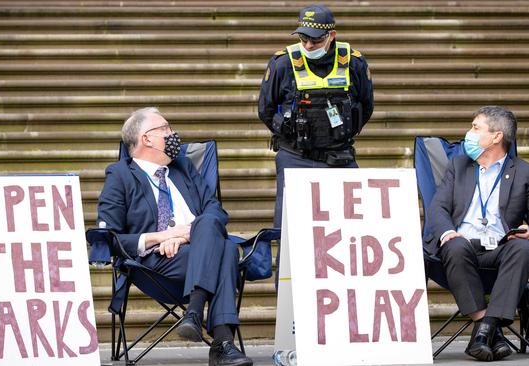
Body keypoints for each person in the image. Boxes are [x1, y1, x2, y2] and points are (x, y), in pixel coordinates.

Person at [97, 107, 252, 366]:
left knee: (214, 232)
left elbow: (215, 211)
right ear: (146, 138)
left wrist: (185, 236)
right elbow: (110, 237)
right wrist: (163, 236)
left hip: (194, 250)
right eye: (166, 128)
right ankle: (221, 343)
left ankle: (195, 312)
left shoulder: (184, 167)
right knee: (224, 250)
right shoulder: (120, 175)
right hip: (154, 264)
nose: (173, 134)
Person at [425, 106, 529, 362]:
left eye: (476, 127)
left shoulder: (526, 173)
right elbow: (437, 207)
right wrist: (449, 232)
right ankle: (488, 328)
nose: (469, 133)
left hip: (501, 248)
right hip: (461, 248)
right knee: (454, 244)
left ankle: (485, 331)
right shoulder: (458, 165)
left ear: (496, 136)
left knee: (523, 249)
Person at [258, 4, 374, 282]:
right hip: (295, 157)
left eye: (316, 39)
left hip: (340, 158)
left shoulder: (354, 62)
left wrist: (337, 137)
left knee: (351, 232)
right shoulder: (282, 63)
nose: (309, 44)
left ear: (331, 35)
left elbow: (366, 107)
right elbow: (265, 109)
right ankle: (289, 307)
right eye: (303, 38)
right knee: (290, 234)